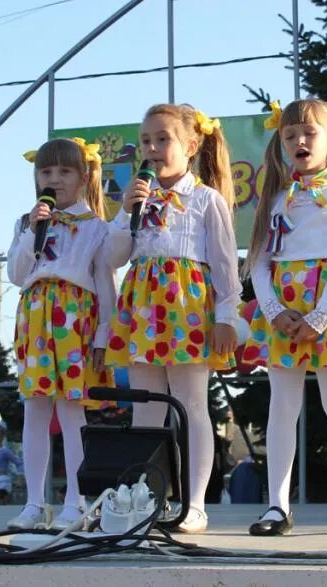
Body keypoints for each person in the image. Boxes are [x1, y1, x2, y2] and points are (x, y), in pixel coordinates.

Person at [242, 98, 327, 536]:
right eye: (290, 135)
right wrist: (274, 311)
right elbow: (259, 263)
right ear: (280, 142)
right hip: (283, 310)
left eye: (309, 133)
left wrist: (320, 316)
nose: (299, 142)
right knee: (282, 406)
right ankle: (276, 507)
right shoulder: (277, 198)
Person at [105, 104, 241, 534]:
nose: (153, 148)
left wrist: (227, 317)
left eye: (163, 139)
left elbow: (224, 265)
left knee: (192, 405)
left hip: (186, 306)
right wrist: (125, 213)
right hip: (143, 306)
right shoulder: (137, 198)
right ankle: (147, 498)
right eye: (146, 141)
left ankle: (195, 502)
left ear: (190, 145)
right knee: (145, 409)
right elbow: (112, 258)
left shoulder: (205, 199)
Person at [4, 137, 117, 531]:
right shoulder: (27, 222)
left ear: (84, 177)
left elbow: (105, 284)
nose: (55, 179)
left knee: (72, 411)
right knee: (35, 409)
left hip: (75, 318)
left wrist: (104, 335)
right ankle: (34, 503)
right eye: (46, 172)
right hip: (35, 314)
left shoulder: (97, 228)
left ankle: (76, 500)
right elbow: (17, 274)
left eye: (65, 171)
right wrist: (31, 231)